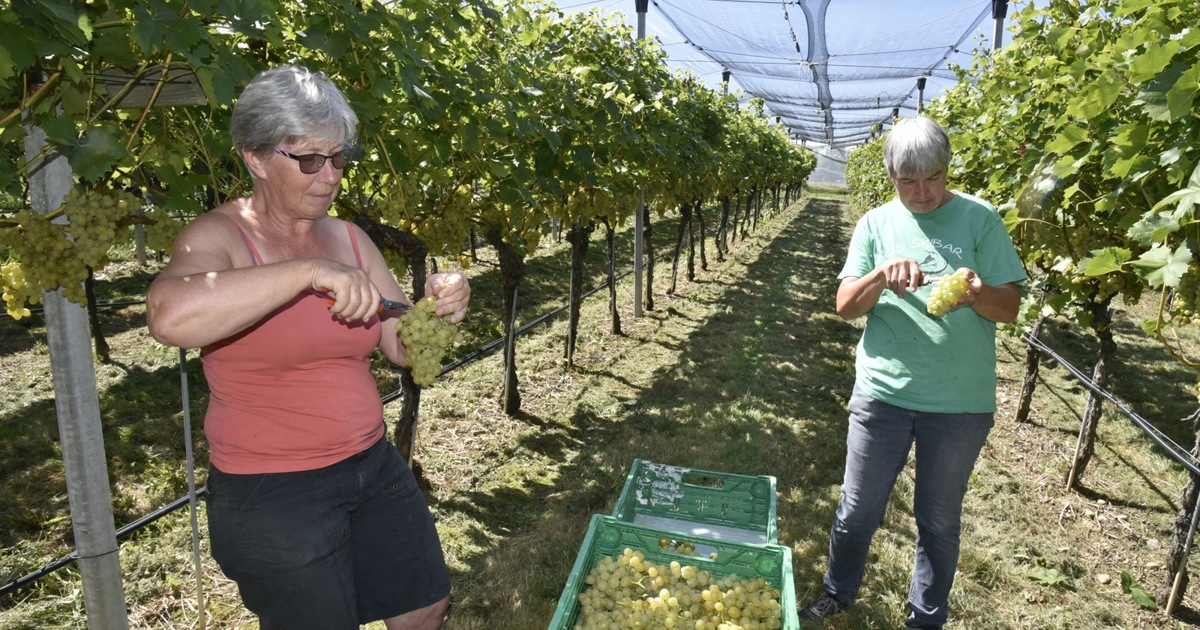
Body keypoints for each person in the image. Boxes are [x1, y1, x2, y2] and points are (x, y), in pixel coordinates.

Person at [146, 65, 469, 630]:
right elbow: (169, 316)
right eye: (310, 160)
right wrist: (305, 272)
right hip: (272, 491)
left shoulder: (349, 238)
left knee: (424, 607)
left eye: (339, 158)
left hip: (372, 464)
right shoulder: (219, 236)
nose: (330, 176)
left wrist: (440, 308)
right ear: (254, 157)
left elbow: (401, 344)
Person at [799, 116, 1025, 629]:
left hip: (959, 401)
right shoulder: (875, 224)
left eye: (934, 178)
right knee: (857, 509)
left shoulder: (980, 219)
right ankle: (838, 591)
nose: (922, 191)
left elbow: (1008, 308)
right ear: (890, 175)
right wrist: (880, 274)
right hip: (883, 393)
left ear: (947, 171)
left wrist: (976, 293)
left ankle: (926, 618)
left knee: (938, 520)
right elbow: (845, 307)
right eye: (908, 180)